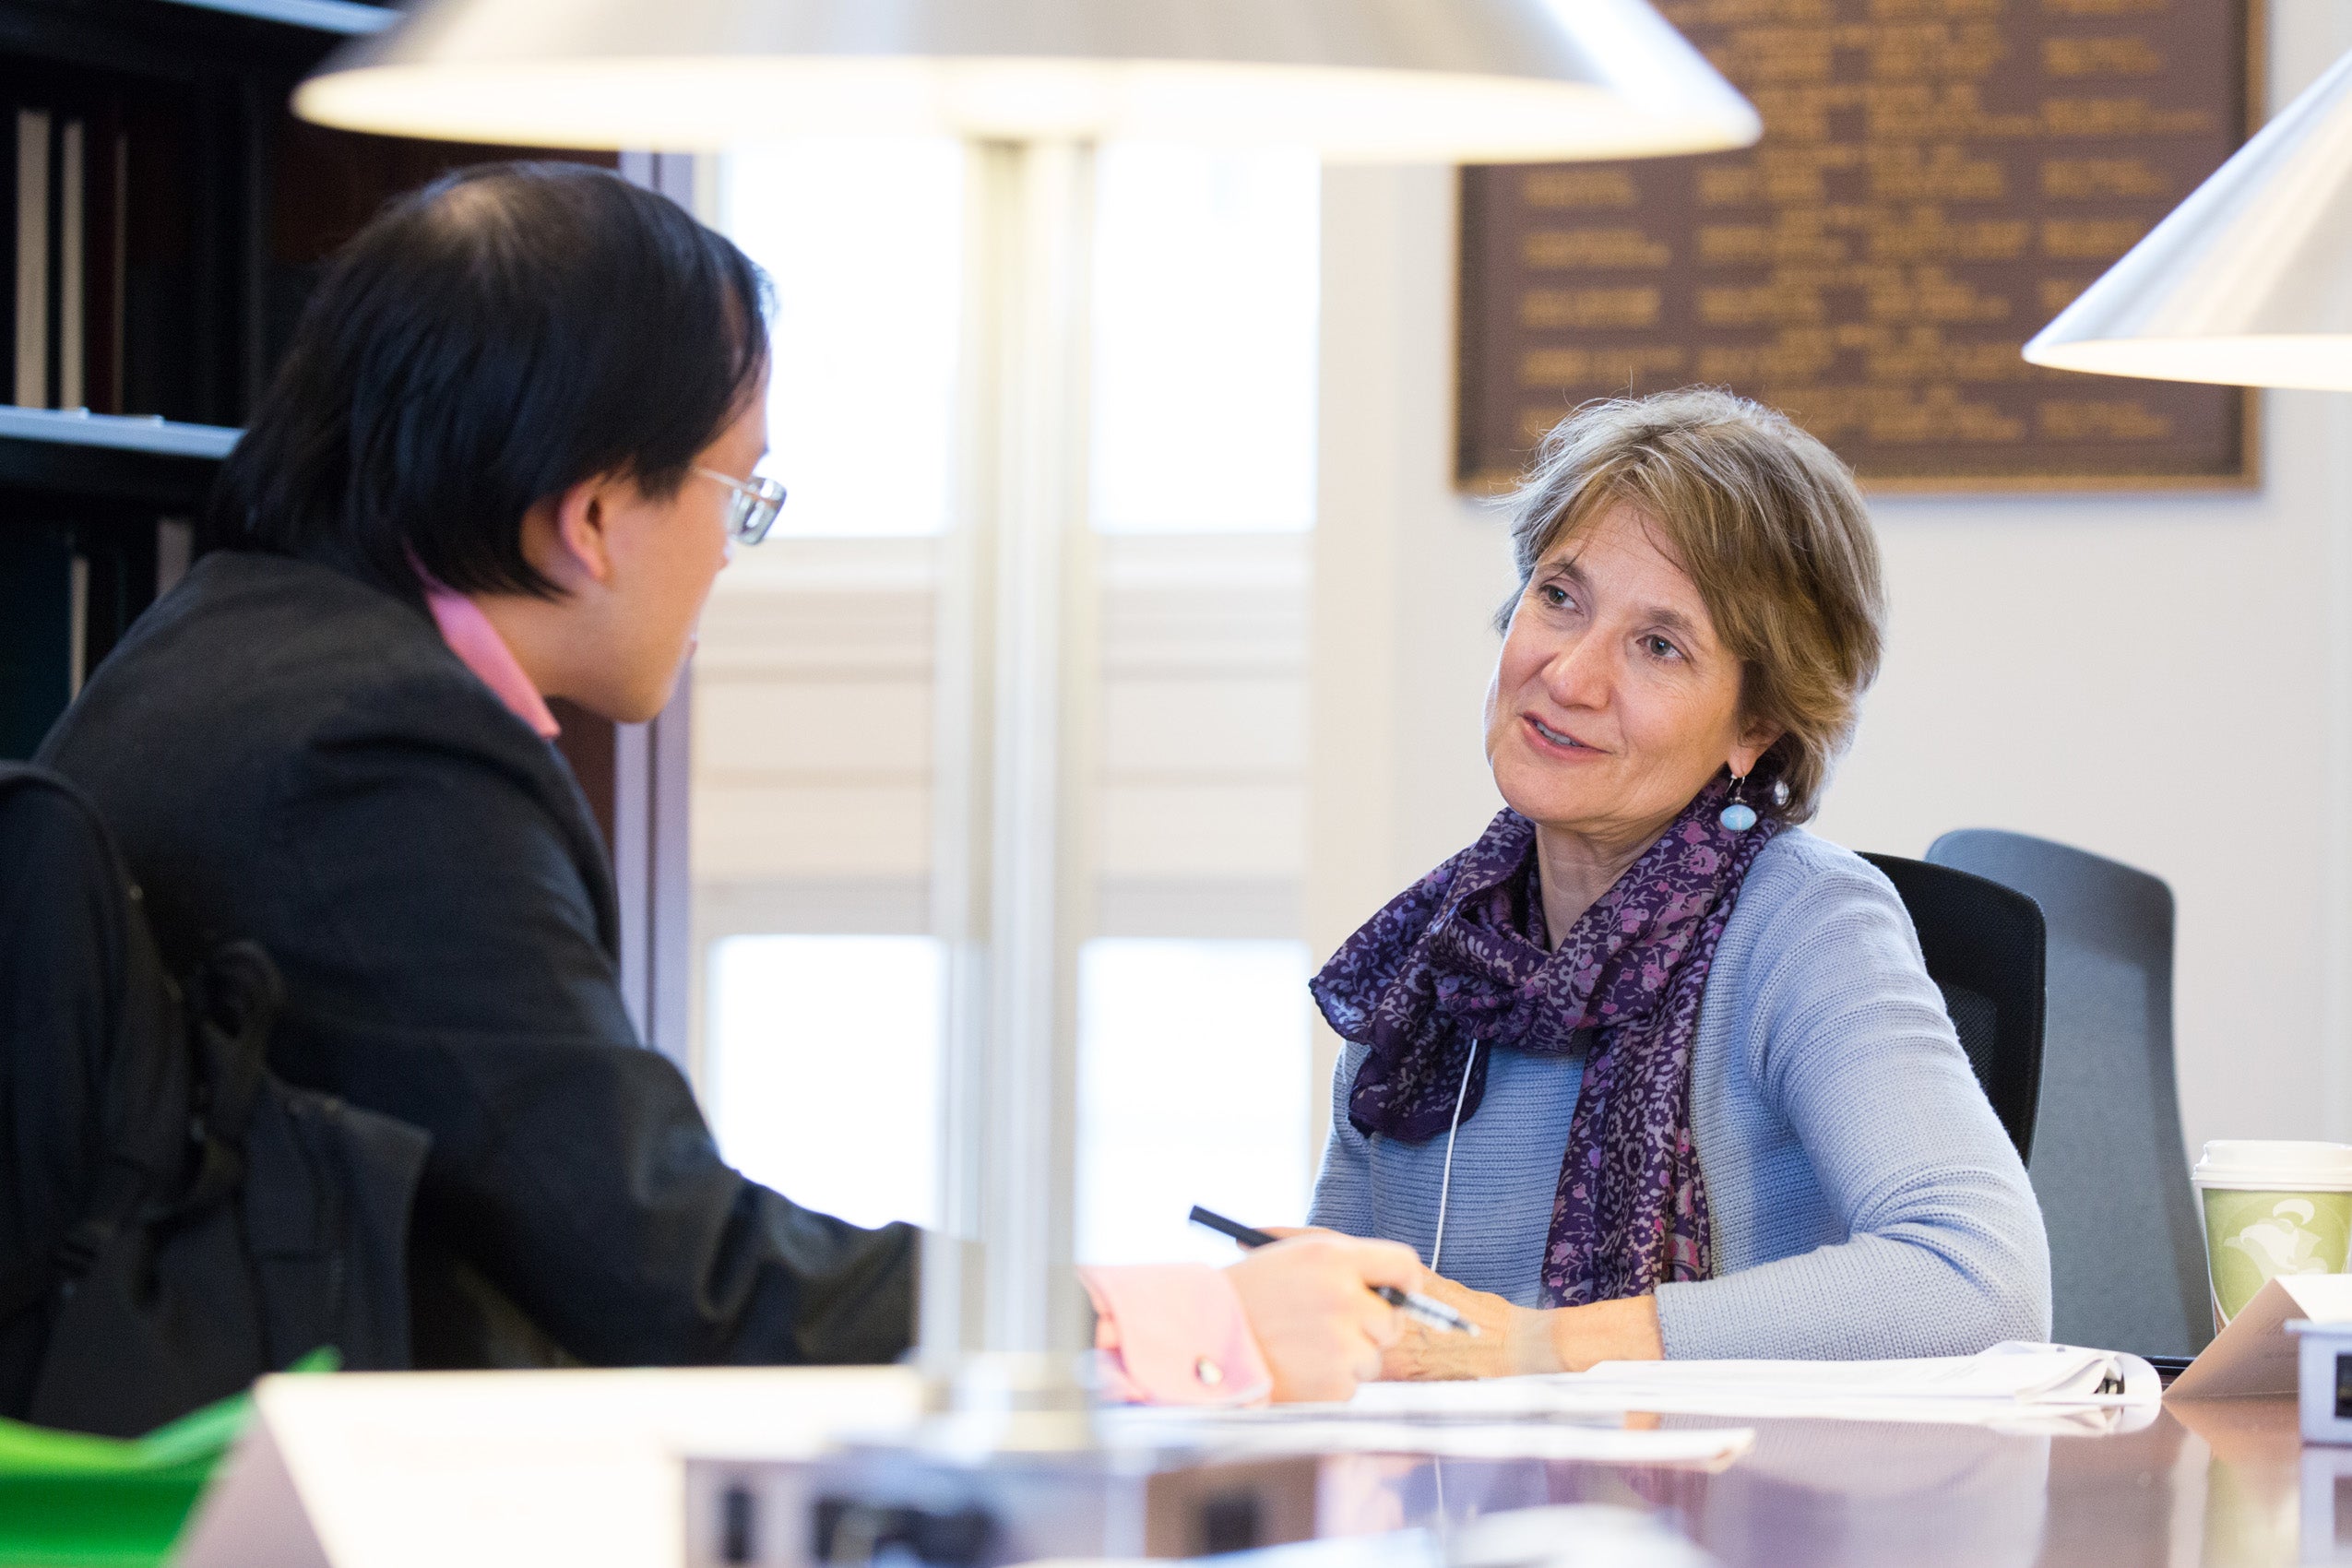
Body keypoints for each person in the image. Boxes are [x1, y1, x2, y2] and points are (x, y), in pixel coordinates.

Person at [35, 161, 1413, 1403]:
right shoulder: (373, 760)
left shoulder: (220, 647)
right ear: (586, 518)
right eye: (737, 497)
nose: (732, 555)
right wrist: (1175, 1323)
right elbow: (671, 1274)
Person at [1305, 387, 2050, 1374]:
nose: (1569, 674)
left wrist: (1542, 1346)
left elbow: (1981, 1278)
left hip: (1744, 1516)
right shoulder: (1429, 961)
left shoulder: (1805, 923)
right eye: (1561, 596)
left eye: (1658, 645)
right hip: (1464, 1516)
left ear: (1758, 728)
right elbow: (1346, 1322)